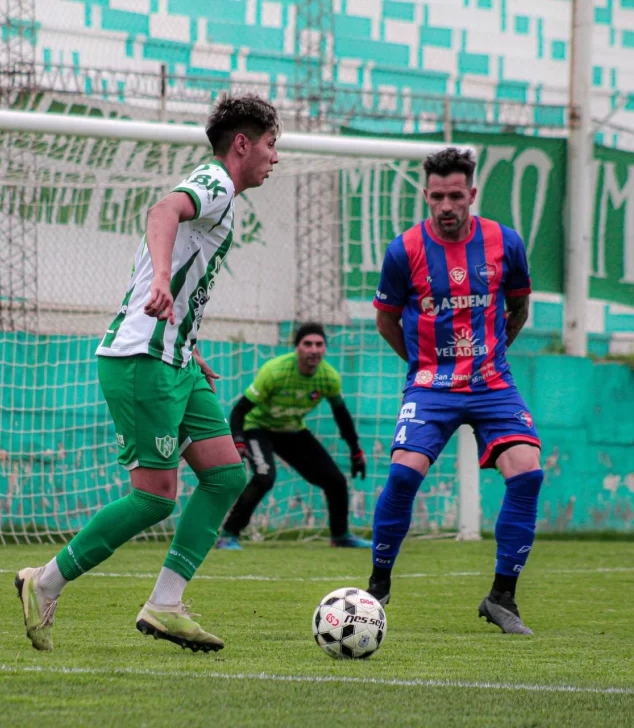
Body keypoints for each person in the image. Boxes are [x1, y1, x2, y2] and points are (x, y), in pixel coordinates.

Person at [14, 93, 280, 653]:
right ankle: (45, 581)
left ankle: (165, 604)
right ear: (242, 144)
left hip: (176, 359)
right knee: (155, 497)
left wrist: (188, 338)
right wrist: (161, 280)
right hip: (142, 361)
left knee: (228, 475)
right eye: (270, 144)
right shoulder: (213, 181)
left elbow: (185, 271)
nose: (273, 158)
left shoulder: (222, 194)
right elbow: (162, 212)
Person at [366, 147, 543, 635]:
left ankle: (502, 597)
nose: (446, 206)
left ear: (472, 194)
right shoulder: (404, 250)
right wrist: (425, 366)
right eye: (437, 197)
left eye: (456, 196)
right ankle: (378, 585)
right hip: (431, 383)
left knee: (527, 473)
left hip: (492, 382)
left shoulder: (505, 243)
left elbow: (519, 309)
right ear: (426, 195)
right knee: (404, 475)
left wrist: (492, 357)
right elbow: (385, 320)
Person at [216, 322, 370, 549]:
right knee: (264, 476)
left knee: (336, 481)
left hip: (292, 430)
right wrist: (238, 440)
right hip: (257, 428)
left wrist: (356, 450)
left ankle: (340, 536)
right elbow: (240, 410)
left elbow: (341, 415)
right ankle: (228, 534)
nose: (314, 349)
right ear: (296, 348)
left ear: (325, 349)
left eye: (319, 344)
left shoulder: (329, 377)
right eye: (307, 344)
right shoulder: (274, 371)